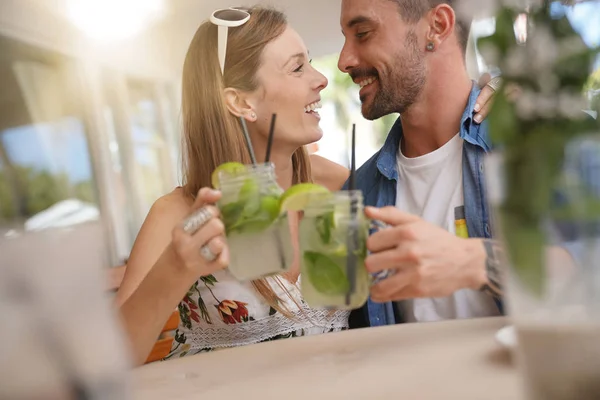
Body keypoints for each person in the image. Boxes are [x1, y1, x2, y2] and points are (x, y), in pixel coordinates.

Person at [116, 5, 498, 364]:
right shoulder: (179, 214)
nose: (321, 79)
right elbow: (110, 361)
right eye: (297, 68)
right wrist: (174, 269)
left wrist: (503, 98)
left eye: (311, 63)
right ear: (239, 101)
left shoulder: (348, 187)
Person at [337, 0, 514, 328]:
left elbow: (584, 267)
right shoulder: (358, 192)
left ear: (437, 27)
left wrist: (476, 262)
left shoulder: (531, 144)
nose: (343, 61)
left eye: (362, 33)